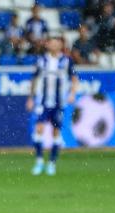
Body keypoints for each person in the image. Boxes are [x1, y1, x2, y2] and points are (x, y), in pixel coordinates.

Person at [26, 36, 78, 176]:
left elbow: (74, 78)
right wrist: (31, 98)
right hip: (42, 102)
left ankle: (52, 163)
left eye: (57, 43)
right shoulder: (42, 61)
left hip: (58, 103)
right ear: (48, 45)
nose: (54, 45)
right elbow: (35, 79)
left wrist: (72, 93)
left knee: (56, 132)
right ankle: (39, 161)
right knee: (38, 130)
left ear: (61, 45)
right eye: (52, 43)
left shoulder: (66, 61)